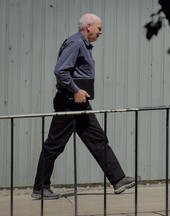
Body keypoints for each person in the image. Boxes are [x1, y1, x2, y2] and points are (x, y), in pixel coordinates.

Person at [31, 13, 140, 200]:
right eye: (99, 28)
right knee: (54, 145)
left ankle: (118, 179)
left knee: (98, 139)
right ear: (88, 26)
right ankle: (40, 188)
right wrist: (75, 90)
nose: (101, 32)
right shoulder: (75, 44)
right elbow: (60, 70)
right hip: (69, 103)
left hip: (79, 103)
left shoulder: (82, 44)